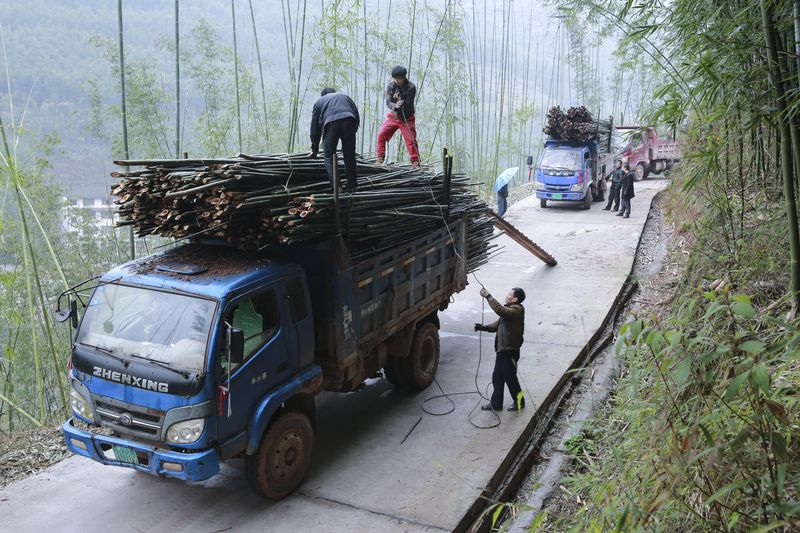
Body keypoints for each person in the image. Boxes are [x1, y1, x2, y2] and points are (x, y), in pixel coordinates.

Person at [474, 286, 526, 412]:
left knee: (510, 378)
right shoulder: (509, 311)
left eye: (509, 294)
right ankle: (496, 403)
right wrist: (483, 327)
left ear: (515, 299)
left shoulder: (516, 311)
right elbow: (497, 325)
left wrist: (488, 296)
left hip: (510, 351)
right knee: (497, 377)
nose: (506, 295)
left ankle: (519, 402)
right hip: (502, 351)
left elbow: (500, 310)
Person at [310, 88, 360, 193]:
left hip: (331, 123)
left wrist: (314, 149)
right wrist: (352, 131)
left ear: (323, 95)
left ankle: (337, 187)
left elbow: (315, 128)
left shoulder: (320, 101)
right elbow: (356, 114)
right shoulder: (345, 97)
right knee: (349, 154)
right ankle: (352, 186)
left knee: (329, 155)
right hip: (349, 120)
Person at [376, 65, 421, 169]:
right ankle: (380, 158)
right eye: (395, 78)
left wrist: (403, 103)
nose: (397, 80)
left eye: (399, 78)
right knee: (381, 135)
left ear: (404, 77)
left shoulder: (411, 87)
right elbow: (388, 102)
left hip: (407, 117)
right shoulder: (391, 86)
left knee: (411, 140)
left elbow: (409, 102)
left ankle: (415, 162)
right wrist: (395, 106)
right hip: (393, 116)